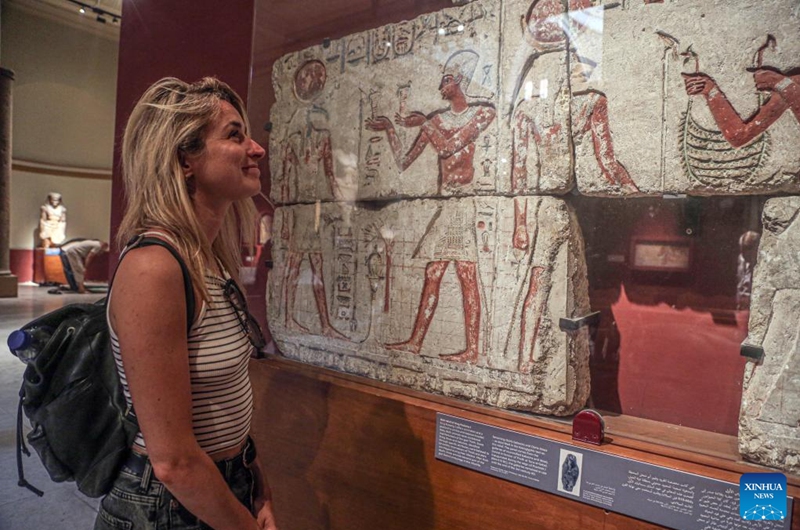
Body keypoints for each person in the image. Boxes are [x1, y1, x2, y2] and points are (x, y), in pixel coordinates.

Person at [97, 77, 277, 530]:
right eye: (235, 135)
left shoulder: (209, 258)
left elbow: (224, 404)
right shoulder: (154, 268)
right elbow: (173, 461)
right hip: (168, 507)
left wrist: (257, 486)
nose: (256, 149)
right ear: (184, 159)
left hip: (222, 486)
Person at [365, 50, 496, 363]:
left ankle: (474, 348)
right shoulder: (437, 120)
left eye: (447, 79)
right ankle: (415, 342)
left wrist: (425, 123)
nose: (442, 85)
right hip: (446, 205)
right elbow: (403, 161)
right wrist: (391, 130)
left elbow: (450, 147)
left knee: (465, 272)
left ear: (461, 80)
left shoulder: (482, 113)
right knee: (434, 270)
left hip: (464, 203)